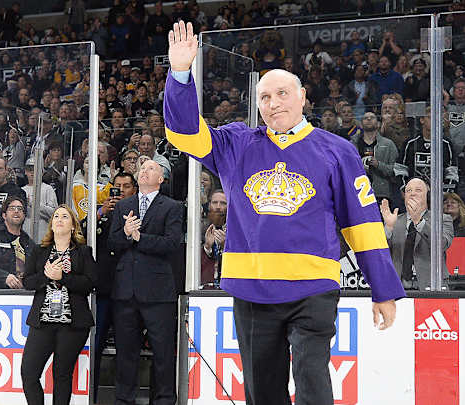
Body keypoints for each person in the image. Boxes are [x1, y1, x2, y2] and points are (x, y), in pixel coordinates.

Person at [163, 21, 404, 405]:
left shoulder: (337, 150)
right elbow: (184, 134)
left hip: (313, 288)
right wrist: (179, 74)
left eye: (282, 93)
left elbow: (363, 225)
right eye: (264, 97)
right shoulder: (237, 143)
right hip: (251, 289)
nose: (273, 103)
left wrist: (384, 289)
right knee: (263, 393)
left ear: (303, 97)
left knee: (312, 381)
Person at [109, 160, 184, 405]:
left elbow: (171, 243)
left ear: (161, 179)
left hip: (158, 291)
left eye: (151, 168)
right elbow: (112, 244)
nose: (144, 171)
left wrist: (139, 237)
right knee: (125, 352)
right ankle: (123, 400)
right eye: (142, 168)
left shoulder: (172, 206)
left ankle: (163, 399)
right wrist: (125, 234)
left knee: (163, 352)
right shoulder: (124, 205)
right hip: (126, 290)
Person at [20, 204, 96, 405]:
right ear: (51, 224)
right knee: (28, 373)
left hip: (73, 324)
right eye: (56, 216)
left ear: (73, 226)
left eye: (65, 217)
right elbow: (27, 282)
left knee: (62, 375)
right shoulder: (39, 251)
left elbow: (90, 283)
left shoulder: (83, 252)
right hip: (42, 323)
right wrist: (47, 276)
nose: (59, 220)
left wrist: (63, 278)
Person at [93, 171, 137, 401]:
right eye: (117, 186)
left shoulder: (138, 213)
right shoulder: (101, 213)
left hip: (129, 290)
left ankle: (124, 398)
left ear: (134, 190)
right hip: (102, 289)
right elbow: (81, 233)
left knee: (126, 347)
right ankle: (91, 395)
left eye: (126, 186)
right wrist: (101, 212)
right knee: (95, 342)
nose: (120, 190)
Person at [381, 176, 454, 289]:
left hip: (431, 286)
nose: (412, 194)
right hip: (397, 287)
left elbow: (442, 244)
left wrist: (419, 221)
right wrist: (388, 228)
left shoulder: (442, 219)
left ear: (428, 195)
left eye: (418, 190)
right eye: (408, 191)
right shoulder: (394, 220)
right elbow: (379, 253)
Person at [0, 196, 36, 289]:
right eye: (12, 208)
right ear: (4, 215)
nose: (16, 211)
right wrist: (4, 277)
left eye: (20, 209)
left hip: (22, 293)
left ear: (24, 216)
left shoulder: (28, 242)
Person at [22, 158, 59, 241]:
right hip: (26, 230)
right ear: (25, 172)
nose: (32, 172)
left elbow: (54, 213)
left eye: (36, 169)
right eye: (29, 169)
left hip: (43, 231)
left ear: (42, 172)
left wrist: (34, 203)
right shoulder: (22, 190)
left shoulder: (48, 189)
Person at [201, 189, 227, 287]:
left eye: (223, 203)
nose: (218, 207)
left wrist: (225, 247)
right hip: (205, 285)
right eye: (215, 203)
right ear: (209, 205)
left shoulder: (236, 230)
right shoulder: (200, 228)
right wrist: (207, 247)